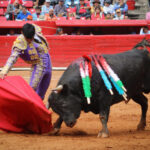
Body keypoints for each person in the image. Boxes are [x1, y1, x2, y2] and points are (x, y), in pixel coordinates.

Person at [0, 23, 52, 100]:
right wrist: (4, 70)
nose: (29, 40)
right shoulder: (20, 42)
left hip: (48, 60)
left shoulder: (35, 30)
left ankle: (39, 105)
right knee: (32, 88)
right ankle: (29, 106)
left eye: (31, 38)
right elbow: (13, 57)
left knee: (45, 85)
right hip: (38, 64)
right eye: (27, 38)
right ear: (22, 33)